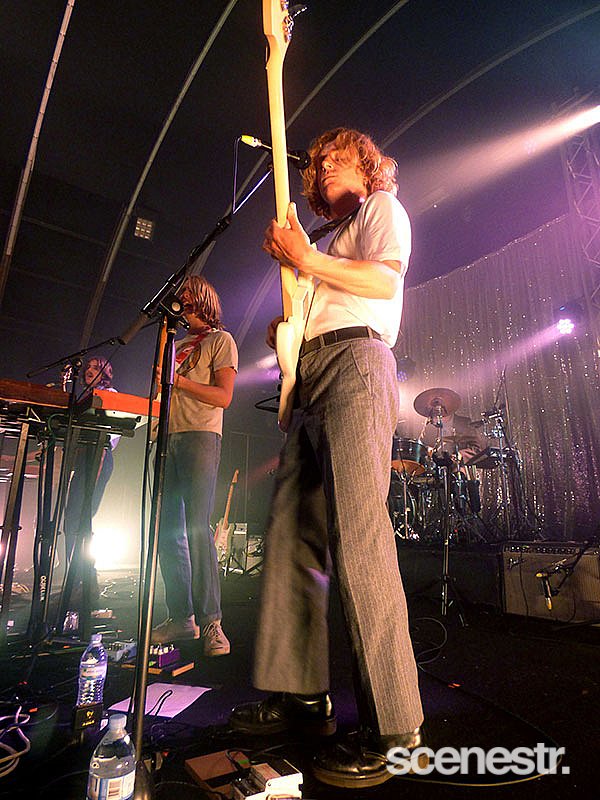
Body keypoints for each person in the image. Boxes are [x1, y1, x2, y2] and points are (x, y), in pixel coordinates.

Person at [229, 128, 424, 788]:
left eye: (340, 157)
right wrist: (287, 325)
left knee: (360, 535)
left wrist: (306, 261)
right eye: (319, 162)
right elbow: (307, 313)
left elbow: (381, 280)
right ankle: (303, 698)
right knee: (291, 538)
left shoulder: (381, 210)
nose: (326, 165)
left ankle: (396, 729)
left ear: (368, 169)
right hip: (309, 378)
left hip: (357, 364)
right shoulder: (319, 240)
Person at [151, 275, 238, 657]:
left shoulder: (221, 340)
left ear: (201, 298)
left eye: (186, 292)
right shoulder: (175, 342)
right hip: (166, 436)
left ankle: (212, 622)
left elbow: (224, 396)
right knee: (167, 531)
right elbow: (159, 386)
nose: (180, 298)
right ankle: (181, 617)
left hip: (200, 436)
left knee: (196, 528)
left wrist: (179, 382)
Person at [62, 357, 117, 597]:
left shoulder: (109, 394)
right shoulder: (82, 396)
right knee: (72, 518)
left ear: (105, 373)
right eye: (88, 367)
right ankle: (78, 579)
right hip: (83, 457)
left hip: (99, 455)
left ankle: (84, 581)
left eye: (96, 367)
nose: (89, 370)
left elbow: (111, 433)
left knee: (83, 517)